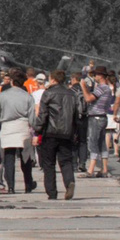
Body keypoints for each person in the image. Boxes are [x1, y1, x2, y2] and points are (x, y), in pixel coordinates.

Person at [34, 67, 84, 201]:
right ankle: (69, 182)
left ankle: (52, 192)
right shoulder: (72, 94)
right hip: (67, 133)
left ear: (53, 79)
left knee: (49, 163)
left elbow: (43, 114)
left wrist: (37, 131)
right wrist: (75, 132)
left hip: (50, 132)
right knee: (66, 161)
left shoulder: (48, 93)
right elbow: (76, 115)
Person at [0, 69, 33, 195]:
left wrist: (1, 122)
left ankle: (11, 186)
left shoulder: (2, 96)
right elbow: (31, 116)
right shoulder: (28, 96)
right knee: (25, 157)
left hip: (8, 126)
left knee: (9, 158)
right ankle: (28, 184)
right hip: (23, 126)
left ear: (12, 82)